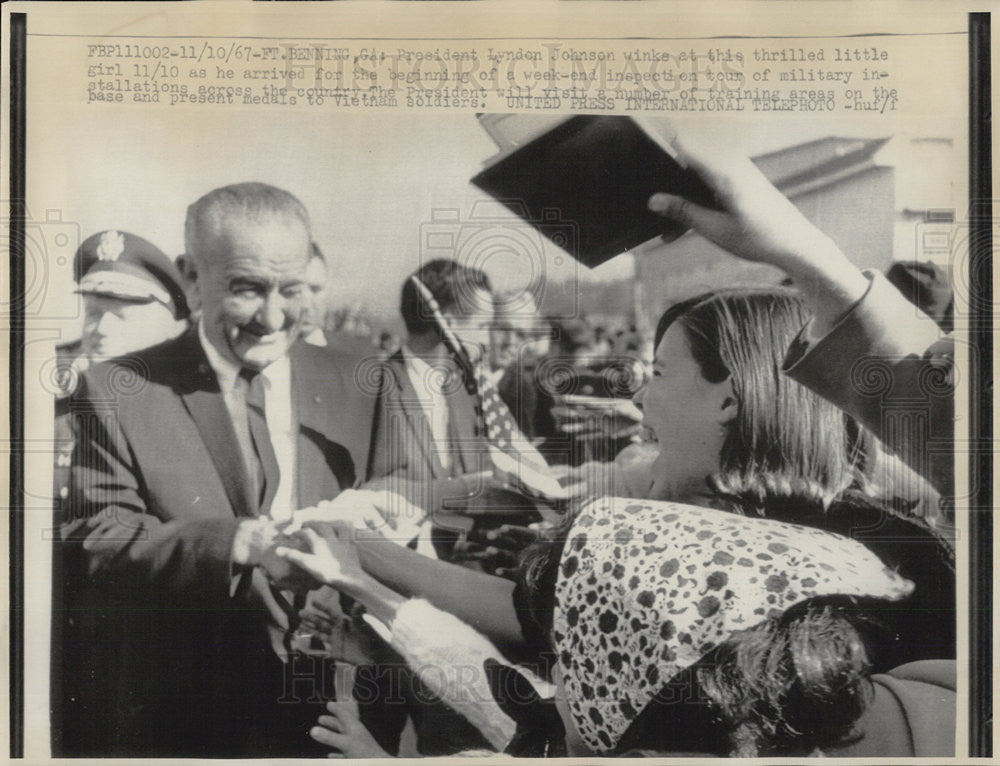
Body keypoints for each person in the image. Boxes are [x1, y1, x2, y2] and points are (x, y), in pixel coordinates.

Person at [58, 182, 379, 757]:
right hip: (189, 716)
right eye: (247, 289)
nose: (273, 316)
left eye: (293, 289)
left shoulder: (359, 377)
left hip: (338, 708)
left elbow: (395, 492)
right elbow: (96, 539)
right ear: (190, 277)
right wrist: (237, 543)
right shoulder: (117, 391)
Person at [281, 499, 951, 757]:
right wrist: (362, 584)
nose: (547, 676)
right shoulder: (932, 703)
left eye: (560, 657)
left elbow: (501, 711)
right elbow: (498, 698)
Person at [50, 229, 191, 755]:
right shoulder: (40, 384)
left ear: (173, 316)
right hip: (54, 625)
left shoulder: (192, 399)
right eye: (92, 309)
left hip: (156, 641)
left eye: (123, 310)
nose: (99, 327)